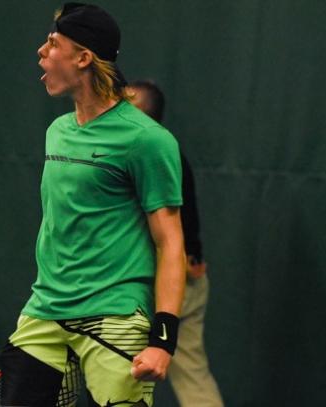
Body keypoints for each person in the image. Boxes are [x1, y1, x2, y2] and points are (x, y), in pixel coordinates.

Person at [0, 3, 185, 406]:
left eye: (52, 43)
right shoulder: (58, 131)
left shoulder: (147, 140)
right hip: (45, 311)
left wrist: (163, 339)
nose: (40, 52)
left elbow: (170, 242)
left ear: (83, 57)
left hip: (114, 315)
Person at [128, 80, 225, 406]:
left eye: (123, 107)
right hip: (191, 274)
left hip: (164, 282)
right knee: (192, 373)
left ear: (140, 115)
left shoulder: (149, 155)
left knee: (117, 365)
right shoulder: (167, 152)